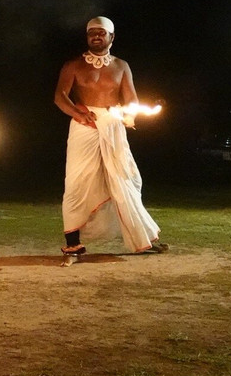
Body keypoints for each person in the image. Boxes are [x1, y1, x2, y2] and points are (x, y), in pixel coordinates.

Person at [53, 16, 168, 261]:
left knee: (124, 180)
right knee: (76, 182)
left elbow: (132, 99)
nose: (96, 36)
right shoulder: (73, 65)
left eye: (101, 33)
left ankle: (143, 238)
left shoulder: (121, 66)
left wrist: (129, 114)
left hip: (113, 125)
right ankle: (73, 245)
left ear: (111, 37)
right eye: (91, 33)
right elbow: (60, 97)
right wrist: (78, 113)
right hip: (83, 125)